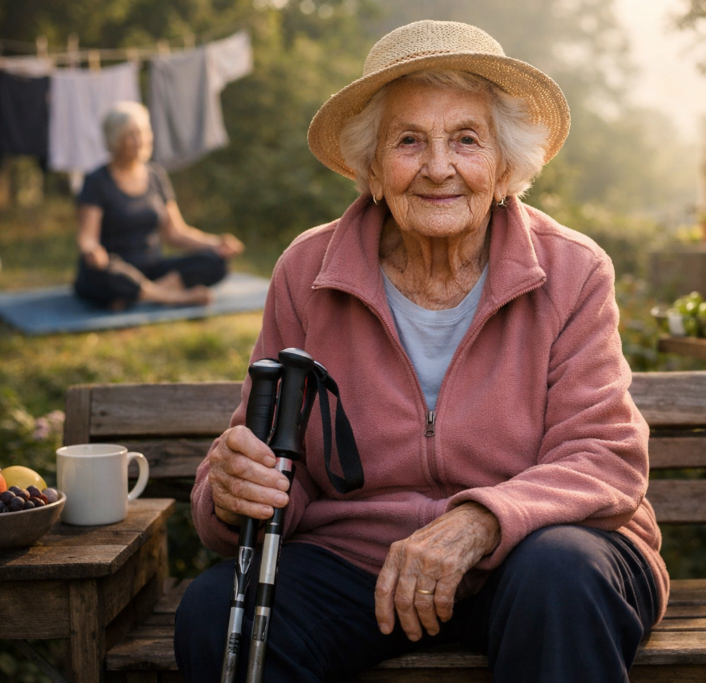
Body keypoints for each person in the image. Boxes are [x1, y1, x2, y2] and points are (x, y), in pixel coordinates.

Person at [175, 20, 668, 683]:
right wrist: (235, 489)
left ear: (505, 167)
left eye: (466, 139)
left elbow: (604, 457)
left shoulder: (573, 270)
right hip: (365, 564)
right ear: (372, 167)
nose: (439, 167)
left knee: (561, 575)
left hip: (536, 555)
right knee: (215, 612)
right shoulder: (307, 270)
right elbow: (270, 467)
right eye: (409, 141)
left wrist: (479, 522)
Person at [73, 101, 244, 309]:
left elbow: (176, 233)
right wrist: (91, 250)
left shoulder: (156, 175)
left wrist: (216, 244)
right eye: (132, 135)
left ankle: (139, 294)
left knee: (216, 261)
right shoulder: (96, 181)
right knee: (101, 273)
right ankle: (174, 297)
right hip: (116, 266)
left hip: (152, 267)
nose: (141, 141)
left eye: (145, 132)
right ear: (115, 140)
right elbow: (87, 237)